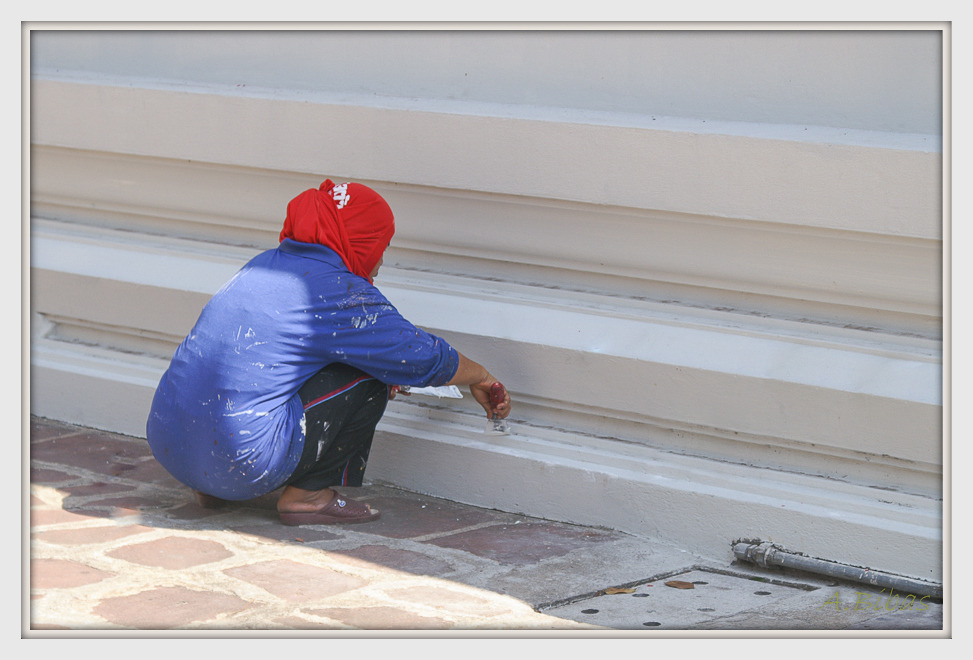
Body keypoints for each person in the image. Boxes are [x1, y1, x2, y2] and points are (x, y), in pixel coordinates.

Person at [145, 179, 510, 525]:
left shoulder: (262, 265)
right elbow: (416, 355)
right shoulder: (333, 288)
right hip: (241, 460)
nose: (381, 260)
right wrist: (481, 375)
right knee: (371, 373)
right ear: (359, 241)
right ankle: (308, 497)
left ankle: (211, 488)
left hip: (171, 450)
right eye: (380, 246)